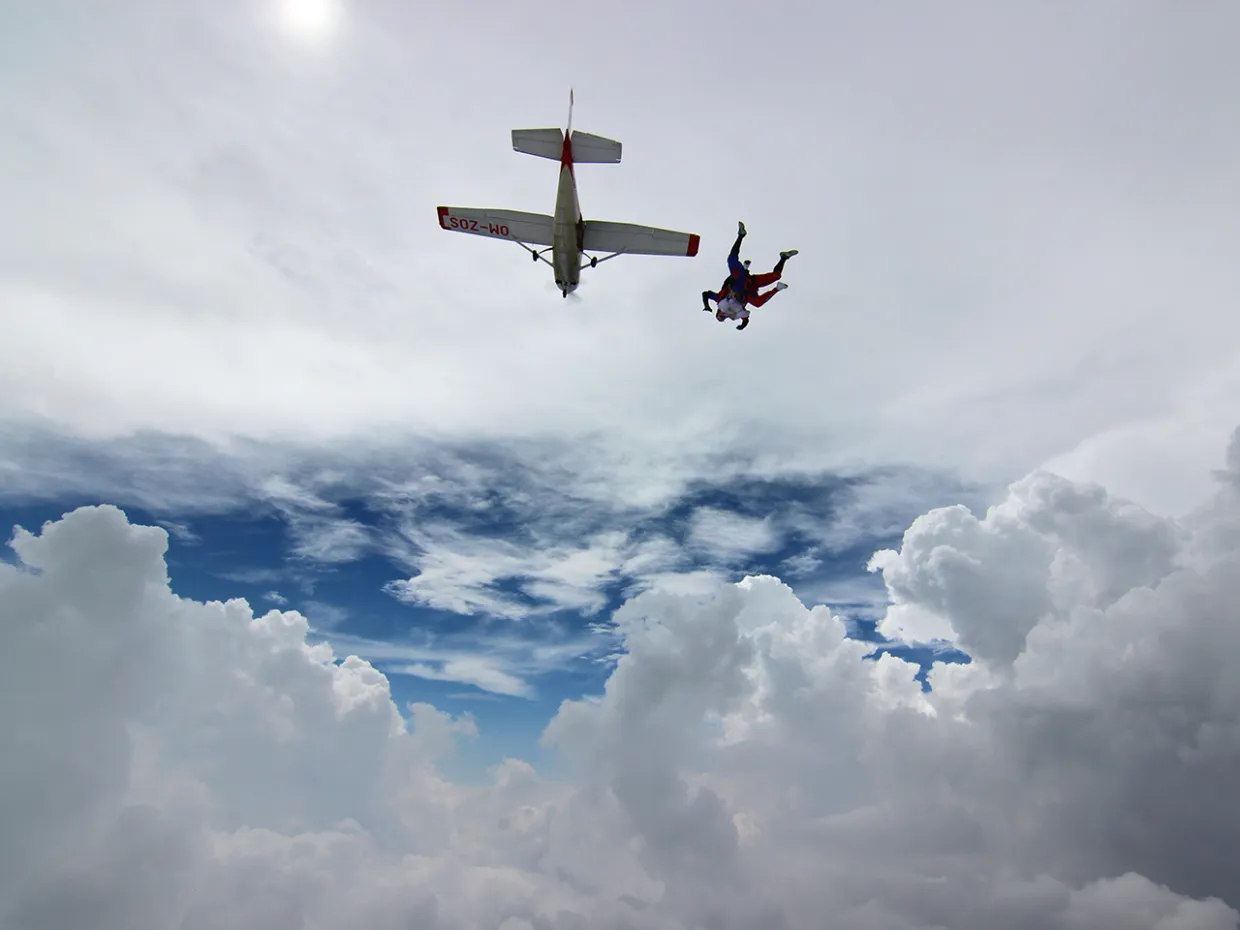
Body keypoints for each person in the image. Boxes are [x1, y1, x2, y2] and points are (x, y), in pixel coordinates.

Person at [701, 221, 797, 329]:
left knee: (731, 259)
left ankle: (741, 236)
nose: (724, 316)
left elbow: (705, 294)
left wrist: (707, 306)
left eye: (720, 316)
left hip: (738, 281)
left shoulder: (719, 299)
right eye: (723, 319)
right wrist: (742, 325)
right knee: (775, 278)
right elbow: (745, 319)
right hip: (751, 287)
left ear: (718, 312)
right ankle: (784, 258)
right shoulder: (736, 313)